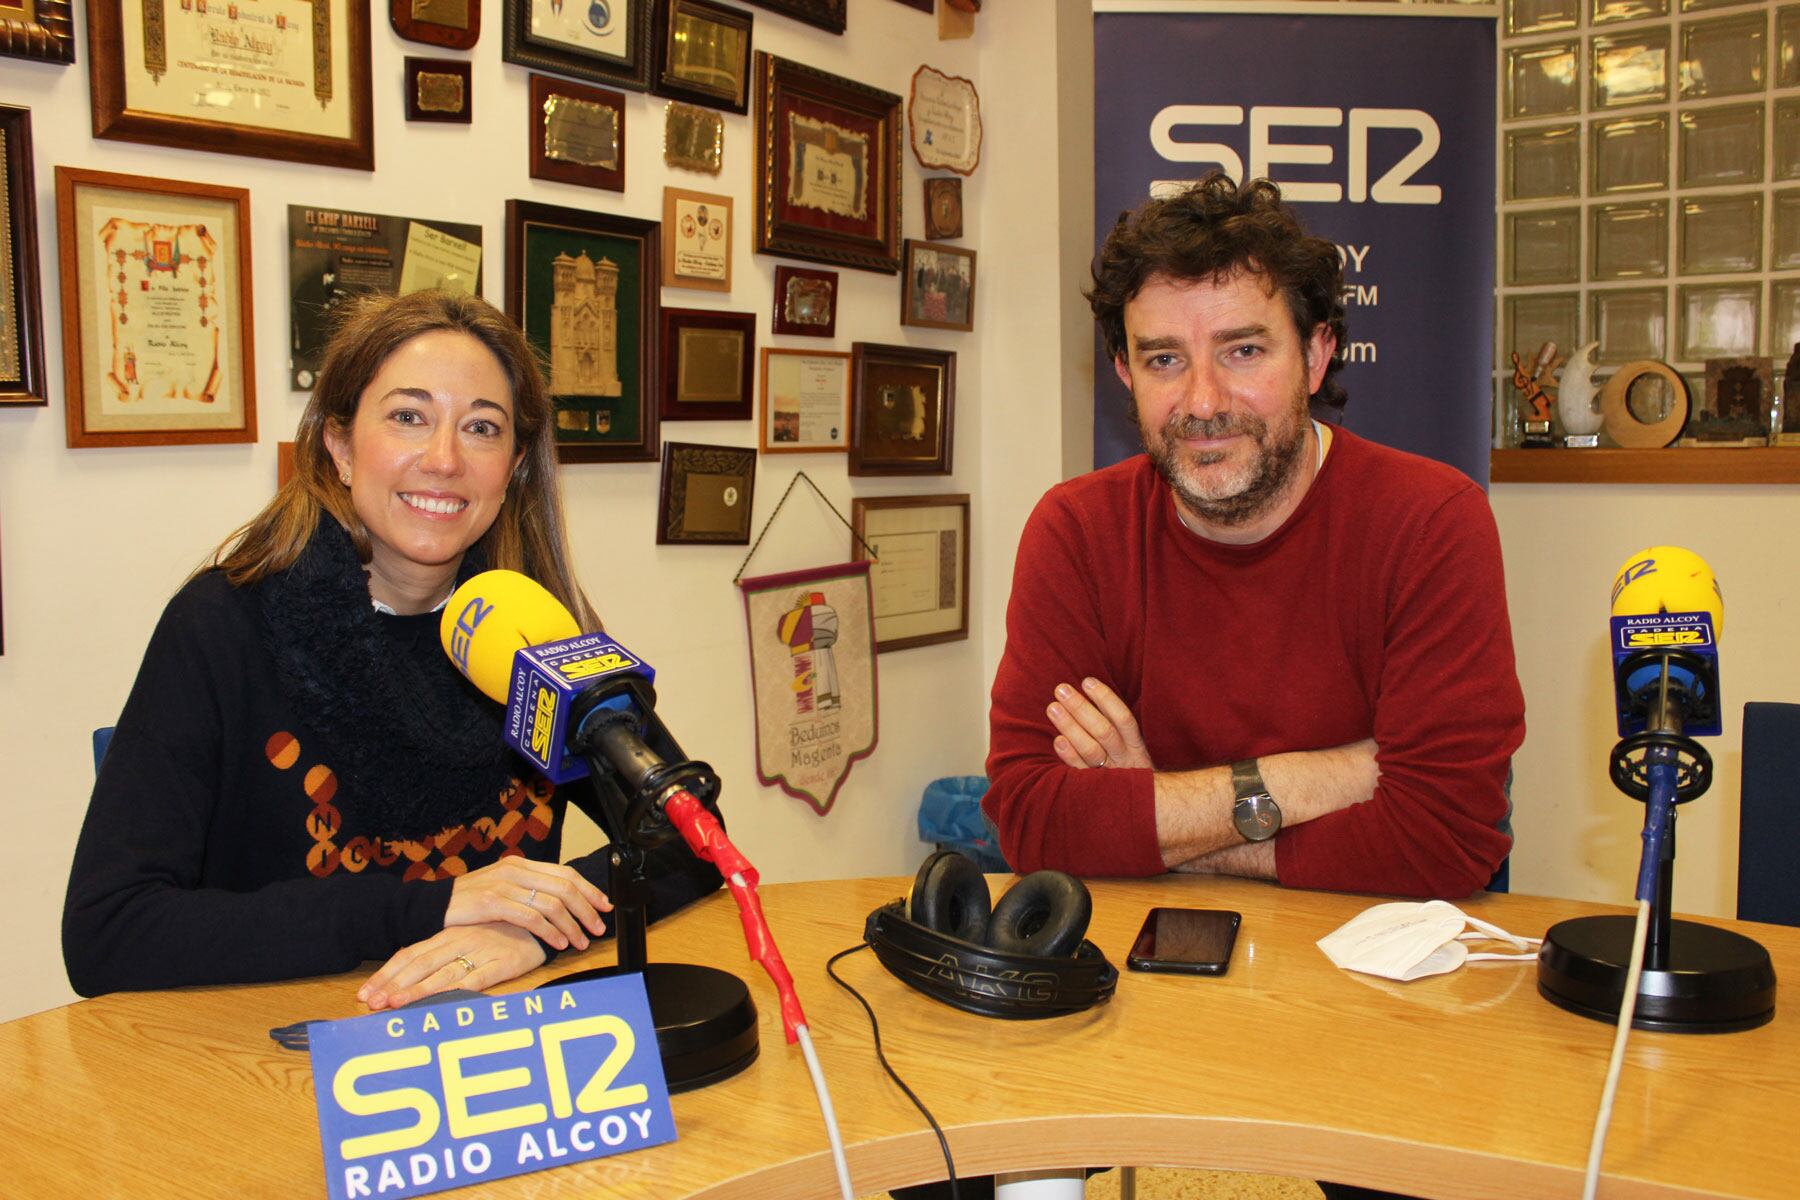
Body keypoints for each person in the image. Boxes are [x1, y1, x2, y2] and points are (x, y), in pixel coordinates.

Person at [63, 290, 722, 1008]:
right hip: (269, 1059)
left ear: (514, 468)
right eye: (409, 417)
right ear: (339, 446)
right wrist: (434, 908)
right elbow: (110, 932)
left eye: (481, 428)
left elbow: (695, 835)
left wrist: (533, 932)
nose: (444, 459)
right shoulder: (220, 627)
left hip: (496, 1053)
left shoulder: (532, 635)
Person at [983, 173, 1524, 901]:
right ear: (1124, 372)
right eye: (1164, 359)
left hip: (1371, 982)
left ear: (1317, 353)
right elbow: (1031, 822)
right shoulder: (1076, 533)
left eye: (1243, 351)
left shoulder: (1430, 521)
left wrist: (1154, 815)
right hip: (1147, 980)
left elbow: (1446, 840)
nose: (1203, 402)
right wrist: (1318, 779)